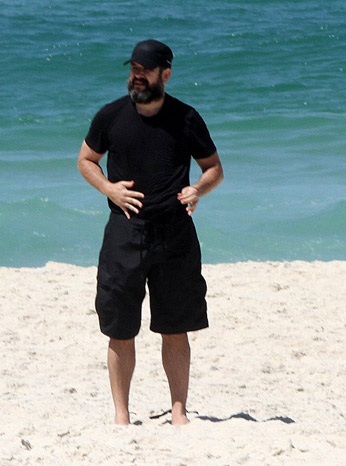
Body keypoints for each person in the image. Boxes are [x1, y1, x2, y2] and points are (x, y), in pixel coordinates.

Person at [77, 39, 223, 425]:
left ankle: (179, 411)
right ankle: (121, 415)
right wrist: (109, 189)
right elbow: (86, 160)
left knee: (176, 327)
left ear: (165, 74)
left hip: (175, 234)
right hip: (125, 232)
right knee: (120, 328)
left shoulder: (187, 118)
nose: (137, 76)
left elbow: (214, 169)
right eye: (133, 69)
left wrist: (198, 189)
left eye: (145, 70)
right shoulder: (111, 116)